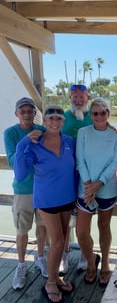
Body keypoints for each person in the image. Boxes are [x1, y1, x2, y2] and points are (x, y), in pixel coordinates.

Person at [14, 105, 76, 303]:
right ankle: (50, 282)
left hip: (67, 198)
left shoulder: (69, 141)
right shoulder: (34, 143)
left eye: (59, 119)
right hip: (46, 200)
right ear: (44, 121)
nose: (55, 122)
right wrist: (21, 144)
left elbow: (74, 169)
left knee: (63, 238)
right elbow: (21, 174)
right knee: (57, 241)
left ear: (63, 122)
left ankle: (56, 278)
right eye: (51, 119)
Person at [3, 97, 48, 290]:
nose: (27, 114)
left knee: (42, 226)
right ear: (16, 113)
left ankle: (41, 258)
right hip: (23, 190)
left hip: (44, 188)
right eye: (23, 111)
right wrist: (26, 141)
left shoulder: (43, 130)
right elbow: (13, 160)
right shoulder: (10, 133)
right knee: (22, 230)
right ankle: (21, 265)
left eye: (30, 111)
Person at [76, 97, 117, 287]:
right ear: (91, 115)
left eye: (103, 112)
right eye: (95, 113)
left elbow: (114, 163)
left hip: (107, 188)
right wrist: (89, 185)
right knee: (81, 232)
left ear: (108, 114)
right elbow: (80, 160)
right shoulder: (83, 132)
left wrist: (98, 184)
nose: (100, 116)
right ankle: (90, 259)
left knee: (104, 226)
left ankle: (105, 263)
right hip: (85, 189)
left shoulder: (116, 135)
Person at [60, 84, 93, 274]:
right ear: (70, 98)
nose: (78, 100)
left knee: (84, 219)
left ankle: (84, 252)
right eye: (74, 96)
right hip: (67, 176)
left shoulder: (94, 116)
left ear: (88, 98)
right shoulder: (62, 117)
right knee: (64, 217)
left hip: (88, 176)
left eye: (82, 96)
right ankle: (63, 255)